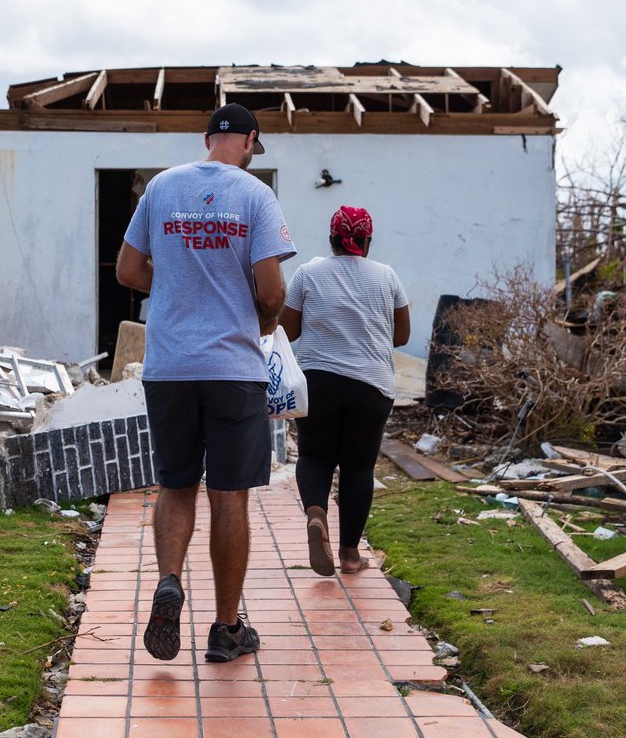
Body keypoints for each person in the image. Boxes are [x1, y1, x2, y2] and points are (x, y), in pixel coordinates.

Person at [116, 103, 296, 663]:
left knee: (175, 485)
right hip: (232, 369)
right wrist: (260, 320)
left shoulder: (161, 189)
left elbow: (127, 270)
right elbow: (271, 290)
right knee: (229, 495)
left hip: (168, 365)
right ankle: (226, 629)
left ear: (205, 139)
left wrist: (173, 291)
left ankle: (170, 580)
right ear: (249, 141)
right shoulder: (255, 195)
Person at [278, 206, 410, 575]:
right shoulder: (387, 277)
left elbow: (288, 331)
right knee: (357, 466)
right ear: (367, 241)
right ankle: (350, 555)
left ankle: (316, 514)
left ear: (331, 239)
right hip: (371, 387)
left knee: (315, 456)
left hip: (318, 382)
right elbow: (401, 335)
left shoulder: (308, 273)